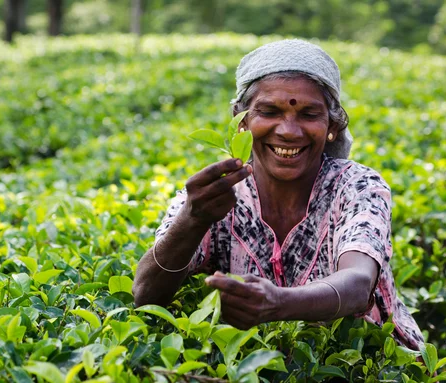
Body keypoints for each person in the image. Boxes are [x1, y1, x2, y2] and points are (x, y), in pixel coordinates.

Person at [132, 39, 424, 350]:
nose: (288, 131)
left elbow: (358, 284)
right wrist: (191, 220)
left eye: (309, 114)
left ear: (332, 126)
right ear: (241, 121)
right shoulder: (215, 193)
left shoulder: (356, 186)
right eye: (269, 111)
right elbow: (146, 295)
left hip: (368, 363)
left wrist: (279, 303)